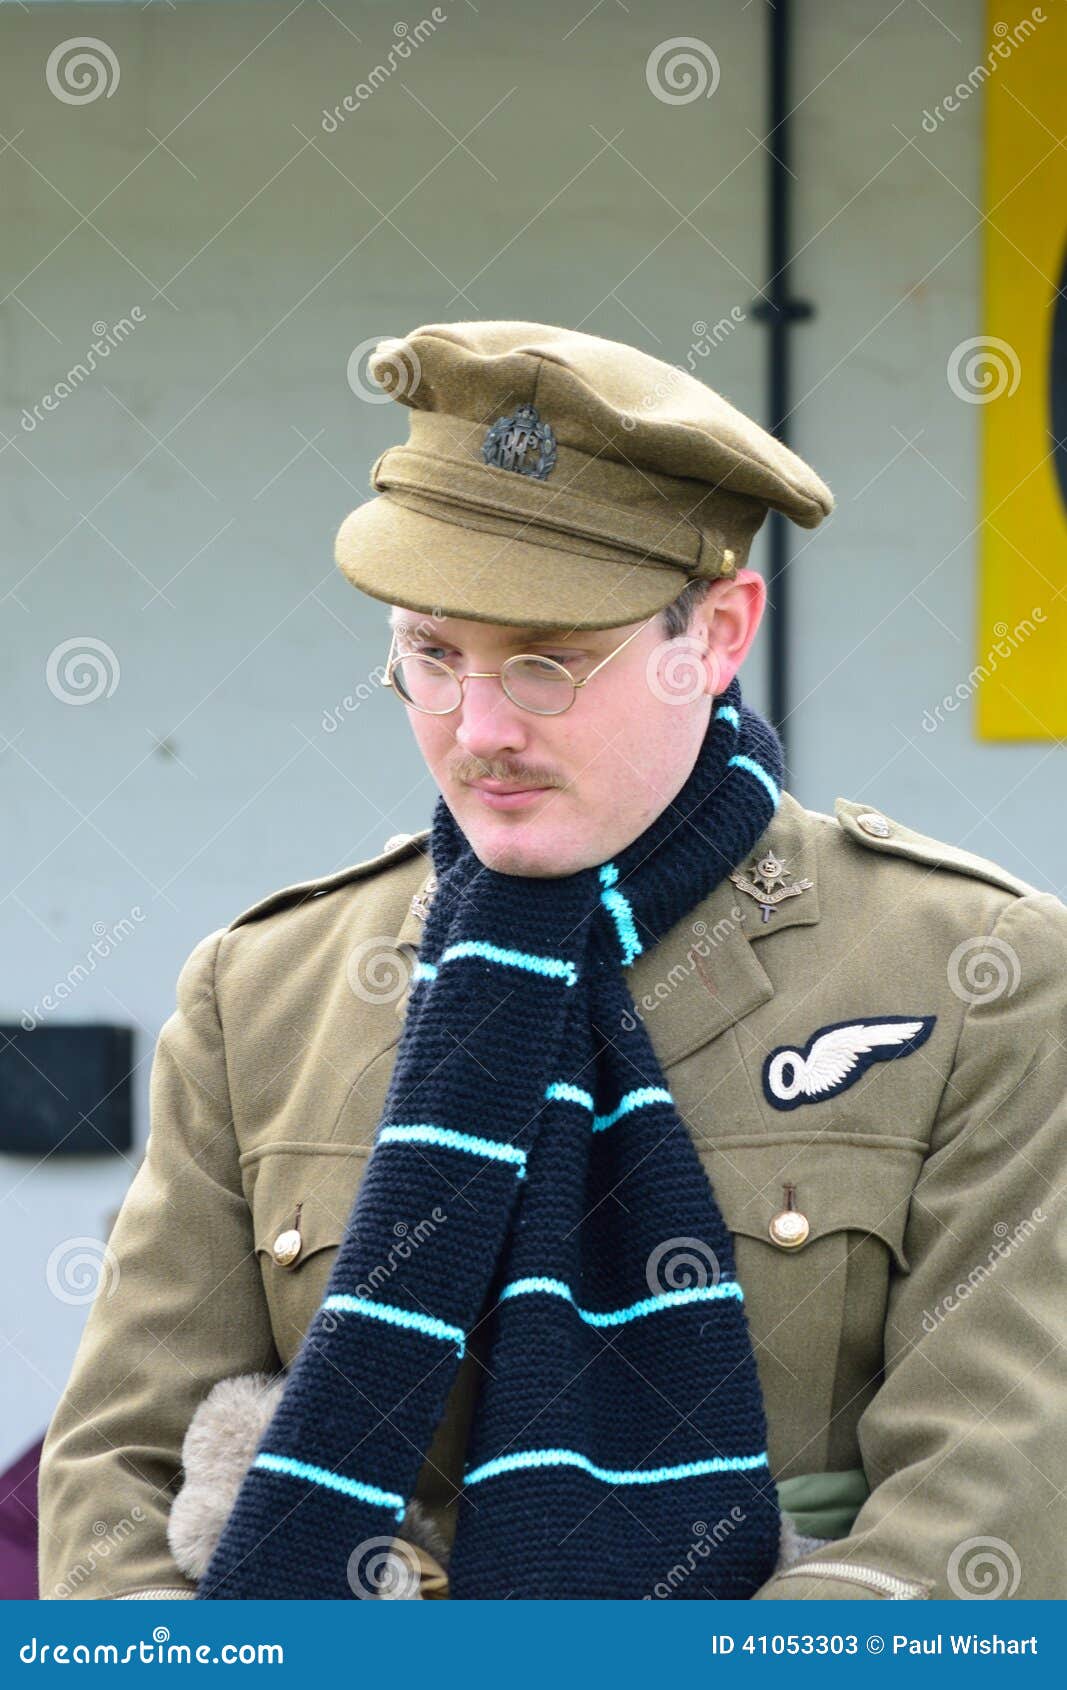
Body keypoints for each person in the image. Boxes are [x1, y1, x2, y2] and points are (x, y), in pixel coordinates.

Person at [37, 321, 1067, 1601]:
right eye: (429, 653)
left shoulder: (977, 976)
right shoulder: (263, 992)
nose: (477, 730)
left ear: (720, 631)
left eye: (546, 662)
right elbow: (109, 1488)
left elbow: (989, 1514)